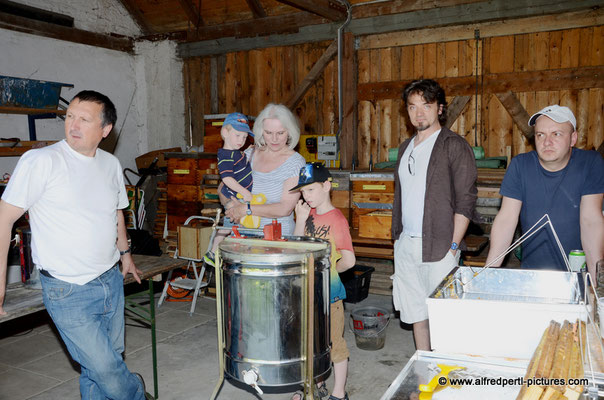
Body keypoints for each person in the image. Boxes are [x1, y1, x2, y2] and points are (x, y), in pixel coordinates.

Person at [0, 90, 147, 400]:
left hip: (110, 280)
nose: (73, 125)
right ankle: (136, 390)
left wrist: (125, 255)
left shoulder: (109, 164)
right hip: (68, 290)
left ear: (105, 130)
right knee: (107, 368)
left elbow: (116, 211)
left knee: (100, 369)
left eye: (84, 119)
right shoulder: (41, 161)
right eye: (70, 117)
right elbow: (4, 220)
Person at [391, 79, 478, 351]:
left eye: (426, 106)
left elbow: (466, 200)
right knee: (417, 314)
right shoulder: (405, 149)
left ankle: (446, 376)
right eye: (412, 106)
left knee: (445, 317)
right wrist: (398, 240)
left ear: (439, 108)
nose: (419, 113)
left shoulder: (453, 145)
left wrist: (453, 247)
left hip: (441, 247)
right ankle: (424, 369)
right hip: (407, 245)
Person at [485, 105, 604, 278]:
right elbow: (506, 220)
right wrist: (488, 273)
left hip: (577, 274)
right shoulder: (520, 165)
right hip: (532, 275)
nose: (547, 142)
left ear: (573, 139)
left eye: (556, 134)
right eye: (540, 135)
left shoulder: (590, 163)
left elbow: (591, 220)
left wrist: (595, 281)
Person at [292, 162, 355, 400]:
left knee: (333, 342)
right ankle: (312, 385)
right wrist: (300, 220)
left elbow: (349, 260)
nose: (306, 196)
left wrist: (327, 273)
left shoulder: (337, 219)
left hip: (330, 295)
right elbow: (296, 250)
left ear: (327, 185)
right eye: (302, 191)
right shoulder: (307, 214)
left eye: (310, 189)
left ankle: (339, 393)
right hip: (306, 293)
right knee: (307, 341)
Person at [222, 103, 306, 235]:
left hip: (277, 241)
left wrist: (246, 209)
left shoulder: (296, 163)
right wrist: (231, 207)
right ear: (260, 131)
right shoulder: (248, 155)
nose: (274, 139)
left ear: (290, 131)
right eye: (268, 133)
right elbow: (223, 187)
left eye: (280, 133)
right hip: (240, 237)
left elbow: (284, 208)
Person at [204, 112, 254, 266]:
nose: (242, 140)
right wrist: (244, 191)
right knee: (227, 227)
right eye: (238, 135)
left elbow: (240, 160)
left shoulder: (234, 152)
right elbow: (226, 179)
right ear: (225, 133)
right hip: (234, 195)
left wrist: (249, 150)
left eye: (245, 137)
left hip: (237, 195)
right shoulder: (225, 155)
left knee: (229, 226)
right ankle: (212, 253)